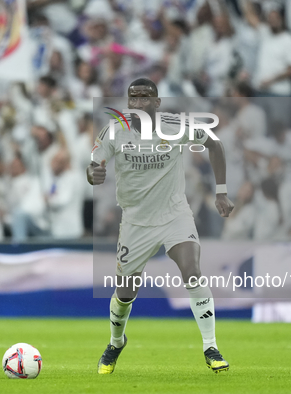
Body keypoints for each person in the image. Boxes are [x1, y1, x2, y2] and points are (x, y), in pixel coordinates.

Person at [87, 78, 234, 374]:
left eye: (146, 97)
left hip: (174, 214)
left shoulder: (175, 125)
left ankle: (211, 346)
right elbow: (94, 163)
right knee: (126, 293)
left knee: (192, 272)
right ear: (129, 103)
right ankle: (116, 342)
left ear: (157, 102)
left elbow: (214, 144)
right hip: (136, 221)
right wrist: (94, 174)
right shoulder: (114, 130)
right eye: (134, 97)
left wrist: (221, 191)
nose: (139, 102)